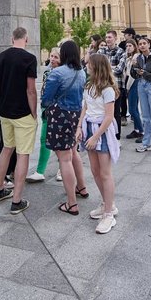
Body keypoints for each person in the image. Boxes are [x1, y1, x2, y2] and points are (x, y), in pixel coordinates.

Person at [0, 28, 38, 215]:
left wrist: (3, 101)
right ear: (26, 39)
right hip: (23, 113)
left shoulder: (1, 56)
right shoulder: (29, 59)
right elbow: (31, 90)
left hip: (5, 112)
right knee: (23, 154)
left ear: (12, 38)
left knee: (7, 149)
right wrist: (33, 112)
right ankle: (17, 200)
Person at [41, 40, 88, 215]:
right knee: (73, 152)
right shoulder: (82, 72)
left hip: (60, 116)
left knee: (64, 158)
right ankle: (81, 187)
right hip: (76, 116)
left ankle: (72, 203)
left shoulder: (57, 73)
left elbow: (46, 98)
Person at [80, 53, 120, 234]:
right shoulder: (89, 86)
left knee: (105, 172)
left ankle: (109, 214)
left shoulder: (108, 89)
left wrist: (96, 136)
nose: (86, 66)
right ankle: (106, 204)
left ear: (96, 67)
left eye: (89, 64)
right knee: (95, 170)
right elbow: (85, 107)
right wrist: (79, 127)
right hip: (89, 127)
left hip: (101, 131)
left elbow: (109, 116)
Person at [28, 46, 61, 183]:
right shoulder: (48, 71)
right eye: (51, 56)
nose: (52, 59)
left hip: (59, 111)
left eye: (56, 57)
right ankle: (40, 171)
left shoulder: (62, 72)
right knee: (44, 139)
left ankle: (62, 170)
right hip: (46, 109)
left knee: (60, 142)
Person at [118, 39, 143, 141]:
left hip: (134, 83)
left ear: (134, 46)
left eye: (130, 45)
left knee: (132, 109)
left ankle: (141, 131)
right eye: (126, 46)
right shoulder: (128, 57)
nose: (128, 47)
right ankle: (136, 129)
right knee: (134, 109)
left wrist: (134, 63)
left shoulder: (136, 57)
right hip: (129, 83)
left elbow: (135, 73)